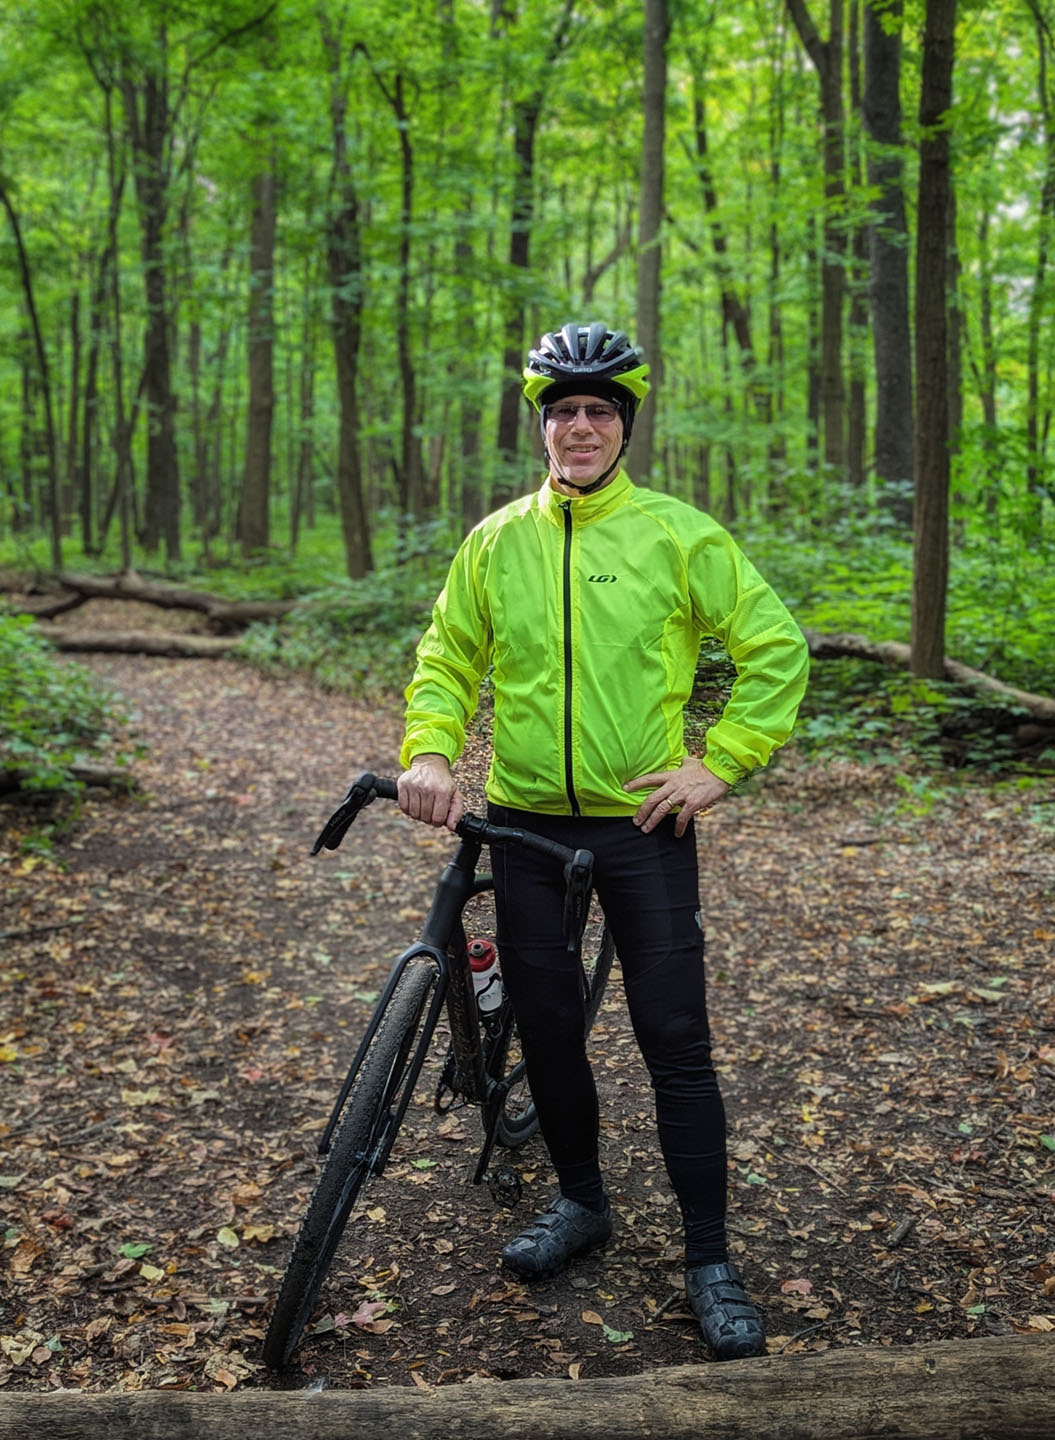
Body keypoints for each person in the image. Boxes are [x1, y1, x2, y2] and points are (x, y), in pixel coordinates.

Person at [396, 322, 809, 1361]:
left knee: (674, 1039)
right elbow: (447, 657)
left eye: (598, 411)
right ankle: (582, 1203)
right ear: (542, 428)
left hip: (642, 821)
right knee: (544, 1029)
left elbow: (773, 648)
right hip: (526, 821)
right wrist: (433, 754)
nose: (578, 426)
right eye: (562, 411)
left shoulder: (677, 534)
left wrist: (720, 762)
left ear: (621, 425)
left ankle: (708, 1256)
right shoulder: (495, 542)